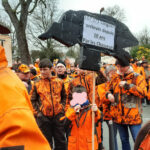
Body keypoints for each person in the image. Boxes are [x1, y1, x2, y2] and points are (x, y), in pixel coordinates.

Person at [0, 45, 51, 150]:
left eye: (28, 73)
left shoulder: (11, 87)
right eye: (24, 73)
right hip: (41, 117)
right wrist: (39, 113)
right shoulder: (34, 83)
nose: (27, 75)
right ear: (18, 73)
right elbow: (33, 100)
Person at [106, 50, 147, 150]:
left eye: (121, 67)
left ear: (127, 66)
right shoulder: (115, 77)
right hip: (118, 117)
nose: (119, 69)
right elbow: (108, 89)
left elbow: (143, 93)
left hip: (134, 117)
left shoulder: (137, 77)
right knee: (124, 140)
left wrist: (128, 86)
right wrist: (108, 95)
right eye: (118, 66)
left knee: (138, 141)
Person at [31, 58, 67, 150]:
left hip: (58, 116)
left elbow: (64, 97)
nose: (42, 72)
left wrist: (62, 109)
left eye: (45, 69)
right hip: (43, 118)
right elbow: (32, 100)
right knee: (46, 143)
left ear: (51, 69)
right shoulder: (36, 83)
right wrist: (38, 113)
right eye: (41, 69)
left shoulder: (59, 82)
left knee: (61, 142)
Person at [60, 85, 101, 150]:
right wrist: (74, 112)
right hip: (74, 146)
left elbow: (98, 121)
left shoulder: (92, 109)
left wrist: (96, 112)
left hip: (89, 145)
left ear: (86, 97)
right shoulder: (70, 109)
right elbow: (64, 125)